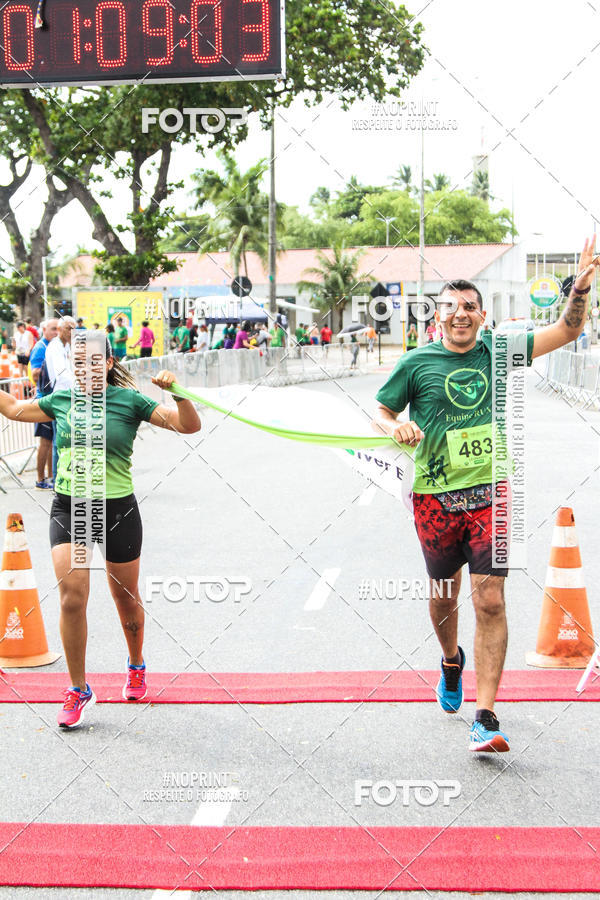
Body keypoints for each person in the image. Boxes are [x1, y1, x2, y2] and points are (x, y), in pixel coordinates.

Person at [373, 237, 600, 754]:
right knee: (443, 595)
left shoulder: (500, 352)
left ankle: (486, 715)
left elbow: (567, 330)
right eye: (450, 307)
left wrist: (581, 286)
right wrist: (395, 428)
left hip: (490, 495)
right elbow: (382, 411)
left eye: (469, 307)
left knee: (491, 600)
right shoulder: (416, 363)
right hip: (433, 498)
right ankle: (451, 660)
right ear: (438, 318)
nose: (460, 314)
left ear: (481, 315)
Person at [0, 335, 201, 728]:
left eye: (92, 362)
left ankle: (136, 663)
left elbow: (188, 426)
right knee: (72, 597)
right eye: (77, 364)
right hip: (71, 506)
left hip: (117, 510)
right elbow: (12, 408)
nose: (83, 370)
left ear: (108, 364)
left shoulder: (130, 401)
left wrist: (177, 393)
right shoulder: (61, 400)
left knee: (125, 601)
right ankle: (78, 688)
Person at [30, 318, 59, 489]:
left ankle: (49, 476)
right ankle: (40, 479)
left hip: (51, 400)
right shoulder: (41, 347)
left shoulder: (54, 346)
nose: (56, 332)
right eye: (53, 329)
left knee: (51, 440)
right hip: (43, 401)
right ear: (44, 329)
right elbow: (34, 374)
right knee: (45, 442)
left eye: (58, 329)